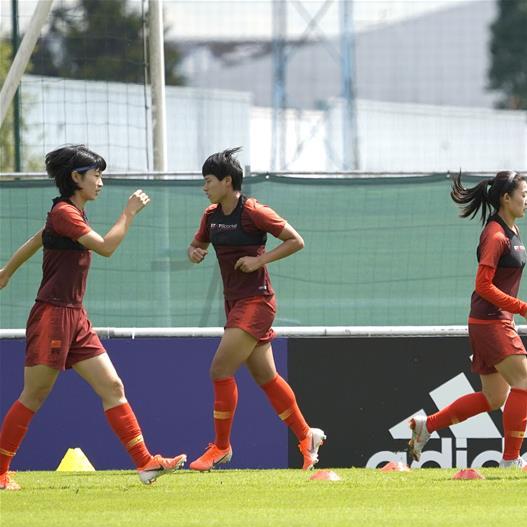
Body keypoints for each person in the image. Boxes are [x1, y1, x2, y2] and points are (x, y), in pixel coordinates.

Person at [0, 145, 186, 490]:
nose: (100, 182)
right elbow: (106, 247)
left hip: (75, 317)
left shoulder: (67, 215)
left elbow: (38, 239)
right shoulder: (65, 213)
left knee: (113, 387)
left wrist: (7, 272)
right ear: (76, 177)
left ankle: (145, 464)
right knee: (34, 395)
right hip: (53, 315)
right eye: (96, 175)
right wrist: (128, 213)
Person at [187, 148, 324, 472]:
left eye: (208, 181)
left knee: (220, 371)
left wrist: (259, 260)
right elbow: (198, 245)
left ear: (227, 181)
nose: (204, 187)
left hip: (257, 301)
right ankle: (307, 436)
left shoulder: (254, 211)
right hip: (235, 302)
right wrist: (194, 252)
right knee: (266, 377)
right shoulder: (211, 216)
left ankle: (221, 447)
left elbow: (295, 240)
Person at [407, 171, 527, 468]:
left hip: (491, 321)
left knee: (494, 398)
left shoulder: (511, 230)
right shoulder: (496, 235)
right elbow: (483, 285)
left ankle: (427, 425)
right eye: (524, 194)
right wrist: (522, 308)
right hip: (492, 323)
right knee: (525, 386)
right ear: (506, 198)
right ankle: (511, 461)